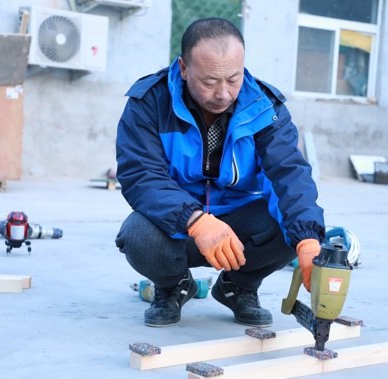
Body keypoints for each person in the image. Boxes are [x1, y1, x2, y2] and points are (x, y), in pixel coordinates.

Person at [115, 17, 324, 328]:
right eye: (210, 81)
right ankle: (173, 285)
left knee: (290, 227)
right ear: (184, 68)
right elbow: (142, 176)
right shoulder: (149, 103)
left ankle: (237, 287)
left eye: (233, 79)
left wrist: (307, 239)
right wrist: (196, 221)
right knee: (138, 236)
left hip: (239, 221)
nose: (224, 94)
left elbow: (288, 175)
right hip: (178, 226)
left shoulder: (265, 107)